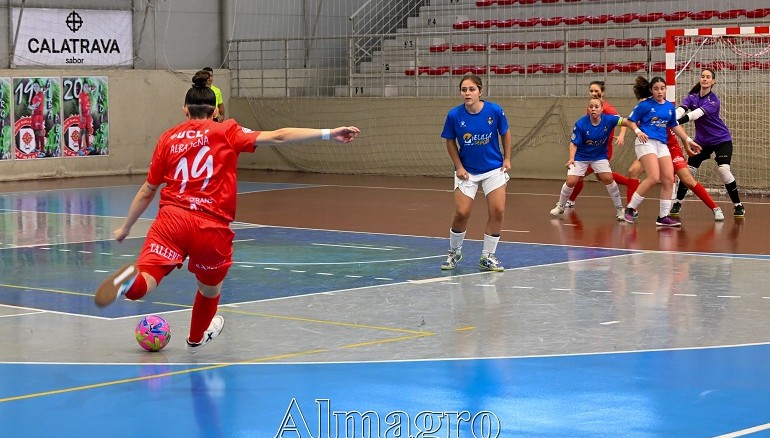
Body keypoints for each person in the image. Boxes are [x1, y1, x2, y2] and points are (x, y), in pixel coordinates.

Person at [94, 71, 361, 354]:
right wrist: (329, 133)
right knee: (209, 289)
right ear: (215, 112)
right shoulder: (227, 131)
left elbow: (148, 190)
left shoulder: (168, 138)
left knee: (144, 285)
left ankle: (127, 281)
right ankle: (196, 338)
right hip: (211, 227)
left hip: (171, 220)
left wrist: (125, 227)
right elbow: (280, 136)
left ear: (185, 110)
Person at [440, 73, 511, 272]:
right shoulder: (454, 115)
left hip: (493, 169)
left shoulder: (494, 111)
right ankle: (454, 252)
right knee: (462, 212)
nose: (467, 93)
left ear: (480, 91)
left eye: (472, 89)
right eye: (464, 90)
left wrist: (507, 158)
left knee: (497, 210)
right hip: (467, 171)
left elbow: (505, 133)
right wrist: (459, 167)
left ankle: (487, 256)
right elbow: (450, 141)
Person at [550, 97, 647, 220]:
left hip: (599, 156)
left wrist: (637, 131)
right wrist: (571, 158)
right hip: (581, 157)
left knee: (608, 178)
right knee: (571, 181)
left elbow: (627, 122)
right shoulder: (580, 124)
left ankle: (619, 209)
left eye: (596, 107)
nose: (593, 109)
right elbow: (574, 143)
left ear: (602, 109)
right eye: (591, 107)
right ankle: (561, 205)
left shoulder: (609, 120)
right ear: (588, 109)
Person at [623, 76, 702, 226]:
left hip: (661, 144)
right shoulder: (645, 105)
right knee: (653, 177)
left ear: (666, 89)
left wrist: (688, 140)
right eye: (656, 89)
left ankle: (662, 217)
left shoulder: (669, 107)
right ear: (651, 91)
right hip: (645, 142)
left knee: (669, 179)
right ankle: (630, 209)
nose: (659, 91)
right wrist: (638, 131)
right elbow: (630, 121)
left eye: (662, 88)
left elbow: (674, 126)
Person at [672, 67, 745, 218]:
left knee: (724, 170)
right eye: (702, 76)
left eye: (708, 77)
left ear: (713, 81)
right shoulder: (692, 97)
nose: (704, 79)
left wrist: (673, 122)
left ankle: (738, 206)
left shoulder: (714, 101)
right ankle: (678, 202)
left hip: (721, 140)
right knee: (688, 172)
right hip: (701, 142)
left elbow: (694, 115)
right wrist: (671, 116)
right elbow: (681, 109)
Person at [564, 81, 640, 208]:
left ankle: (570, 201)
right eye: (591, 91)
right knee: (599, 176)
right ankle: (630, 182)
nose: (593, 93)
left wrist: (621, 135)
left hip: (602, 149)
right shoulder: (591, 107)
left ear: (603, 92)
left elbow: (623, 121)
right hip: (590, 148)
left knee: (580, 176)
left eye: (596, 91)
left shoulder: (608, 109)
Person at [29, 82, 46, 157]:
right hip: (34, 116)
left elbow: (36, 106)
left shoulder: (40, 94)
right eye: (34, 86)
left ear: (39, 87)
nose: (35, 87)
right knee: (35, 131)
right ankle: (37, 147)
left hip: (39, 116)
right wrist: (32, 107)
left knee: (39, 132)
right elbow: (33, 106)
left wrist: (30, 107)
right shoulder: (35, 95)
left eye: (37, 86)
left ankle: (42, 151)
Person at [78, 82, 94, 154]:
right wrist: (81, 116)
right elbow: (80, 106)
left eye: (87, 86)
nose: (86, 88)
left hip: (88, 116)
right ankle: (79, 149)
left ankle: (87, 146)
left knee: (87, 131)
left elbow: (89, 106)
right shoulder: (81, 95)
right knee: (81, 131)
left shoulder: (88, 95)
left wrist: (90, 114)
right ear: (83, 87)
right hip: (83, 116)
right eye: (85, 86)